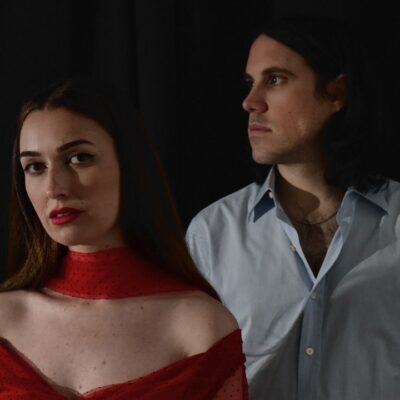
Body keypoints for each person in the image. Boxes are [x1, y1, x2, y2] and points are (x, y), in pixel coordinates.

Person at [186, 16, 400, 400]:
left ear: (335, 93)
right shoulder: (212, 232)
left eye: (275, 79)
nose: (250, 102)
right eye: (250, 83)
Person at [0, 77, 248, 399]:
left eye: (79, 158)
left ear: (129, 165)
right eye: (35, 166)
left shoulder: (201, 327)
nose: (53, 188)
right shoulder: (4, 320)